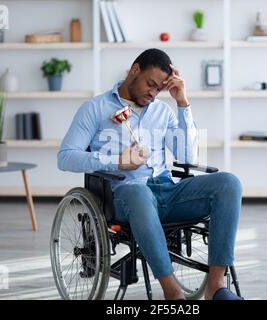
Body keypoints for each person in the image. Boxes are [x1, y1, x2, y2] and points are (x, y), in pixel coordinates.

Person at [58, 48, 243, 300]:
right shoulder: (95, 108)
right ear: (135, 70)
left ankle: (216, 286)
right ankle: (172, 292)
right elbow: (66, 157)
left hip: (167, 189)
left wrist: (182, 103)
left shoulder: (162, 111)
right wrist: (117, 162)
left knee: (228, 183)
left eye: (159, 89)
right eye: (150, 84)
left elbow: (189, 159)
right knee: (138, 191)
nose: (153, 94)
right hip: (126, 194)